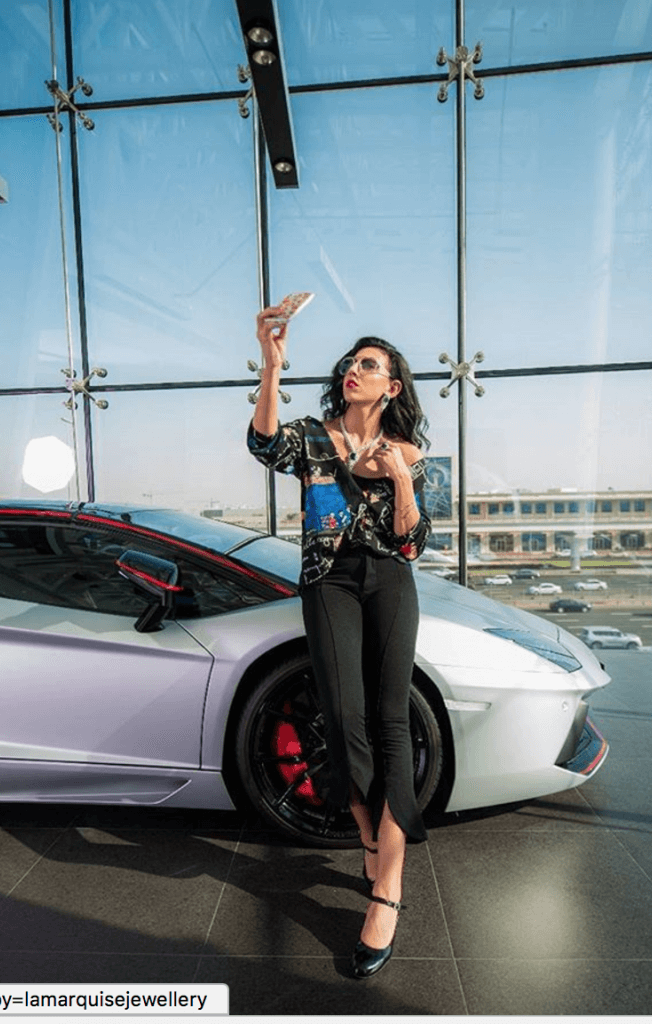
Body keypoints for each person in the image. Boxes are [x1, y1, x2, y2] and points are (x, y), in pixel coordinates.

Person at [246, 304, 432, 979]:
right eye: (352, 362)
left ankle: (388, 889)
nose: (355, 370)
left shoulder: (413, 454)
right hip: (328, 581)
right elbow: (265, 445)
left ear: (392, 386)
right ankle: (368, 836)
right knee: (342, 721)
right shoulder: (313, 437)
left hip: (390, 581)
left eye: (369, 365)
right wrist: (271, 367)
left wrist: (401, 477)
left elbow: (412, 541)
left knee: (391, 722)